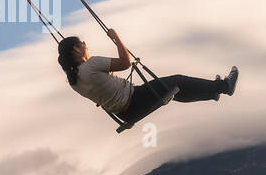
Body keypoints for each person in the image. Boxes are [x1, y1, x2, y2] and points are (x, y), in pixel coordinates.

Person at [56, 29, 237, 124]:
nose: (86, 46)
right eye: (84, 44)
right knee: (178, 80)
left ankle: (211, 93)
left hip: (126, 113)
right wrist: (116, 37)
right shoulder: (92, 64)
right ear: (76, 49)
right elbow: (125, 63)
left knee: (174, 90)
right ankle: (223, 86)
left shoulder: (74, 81)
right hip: (136, 99)